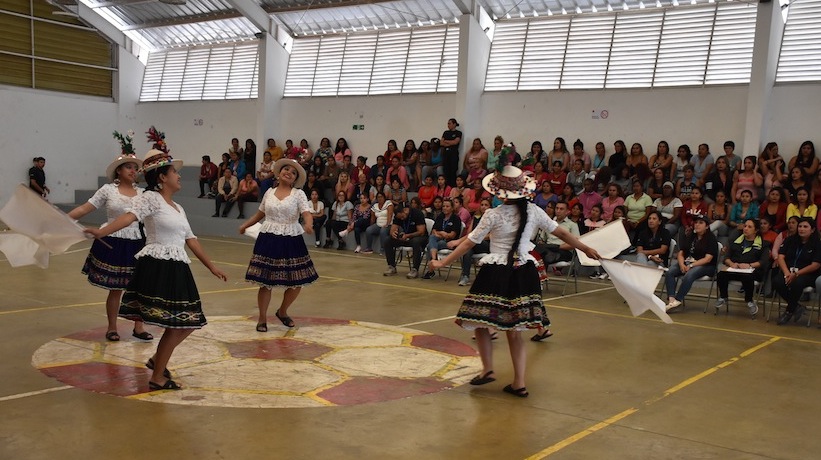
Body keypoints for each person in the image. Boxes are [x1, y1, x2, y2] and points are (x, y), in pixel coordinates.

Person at [429, 163, 600, 398]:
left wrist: (442, 263)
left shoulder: (493, 214)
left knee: (478, 320)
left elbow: (469, 242)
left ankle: (488, 369)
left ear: (499, 193)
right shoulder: (534, 211)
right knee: (515, 330)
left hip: (497, 271)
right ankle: (519, 382)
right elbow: (562, 233)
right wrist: (585, 248)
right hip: (523, 270)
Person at [84, 143, 227, 391]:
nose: (179, 176)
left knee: (189, 321)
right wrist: (102, 231)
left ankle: (157, 363)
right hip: (158, 264)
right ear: (162, 177)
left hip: (178, 266)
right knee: (179, 322)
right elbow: (128, 217)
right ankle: (157, 375)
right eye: (174, 172)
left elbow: (191, 239)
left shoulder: (178, 208)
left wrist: (211, 267)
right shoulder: (150, 198)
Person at [68, 134, 149, 342]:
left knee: (140, 286)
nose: (133, 171)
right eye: (128, 167)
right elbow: (86, 208)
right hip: (113, 241)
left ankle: (139, 326)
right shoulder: (108, 190)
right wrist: (63, 219)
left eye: (134, 167)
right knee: (116, 288)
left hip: (138, 241)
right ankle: (112, 327)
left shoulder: (143, 193)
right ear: (118, 171)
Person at [240, 159, 318, 331]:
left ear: (295, 179)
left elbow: (306, 213)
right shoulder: (269, 192)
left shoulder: (298, 194)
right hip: (268, 238)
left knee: (297, 282)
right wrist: (245, 225)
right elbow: (259, 214)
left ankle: (282, 311)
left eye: (293, 172)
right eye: (286, 169)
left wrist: (309, 224)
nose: (289, 172)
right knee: (265, 282)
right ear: (279, 172)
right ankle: (262, 319)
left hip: (291, 239)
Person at [714, 219, 770, 316]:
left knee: (747, 277)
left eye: (749, 227)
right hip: (735, 269)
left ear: (756, 230)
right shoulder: (735, 242)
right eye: (745, 226)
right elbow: (726, 258)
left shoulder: (763, 244)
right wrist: (731, 264)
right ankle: (723, 296)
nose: (746, 229)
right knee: (721, 274)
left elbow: (763, 261)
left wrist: (749, 265)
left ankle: (749, 300)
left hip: (752, 271)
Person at [664, 214, 718, 311]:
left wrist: (691, 265)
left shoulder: (711, 238)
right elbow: (681, 253)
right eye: (696, 222)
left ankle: (678, 299)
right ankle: (671, 300)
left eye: (701, 223)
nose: (697, 225)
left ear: (707, 226)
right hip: (688, 262)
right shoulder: (691, 236)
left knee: (690, 274)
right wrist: (681, 264)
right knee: (670, 272)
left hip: (706, 266)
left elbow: (708, 259)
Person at [774, 217, 821, 325]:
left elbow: (816, 265)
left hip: (807, 274)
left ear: (812, 229)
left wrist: (796, 274)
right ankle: (796, 306)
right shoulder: (790, 240)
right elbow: (780, 257)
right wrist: (786, 272)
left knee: (797, 283)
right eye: (800, 226)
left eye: (805, 227)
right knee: (777, 281)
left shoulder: (817, 244)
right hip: (788, 271)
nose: (802, 229)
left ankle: (789, 311)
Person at [383, 203, 428, 279]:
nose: (402, 219)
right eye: (400, 218)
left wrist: (408, 235)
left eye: (402, 217)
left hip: (419, 237)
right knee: (388, 240)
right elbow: (392, 229)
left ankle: (415, 269)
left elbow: (421, 231)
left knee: (416, 242)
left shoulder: (417, 213)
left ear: (405, 210)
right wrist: (394, 234)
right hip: (405, 237)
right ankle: (391, 266)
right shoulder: (398, 216)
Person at [422, 198, 461, 279]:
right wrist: (441, 233)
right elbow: (433, 231)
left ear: (452, 208)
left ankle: (431, 269)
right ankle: (434, 259)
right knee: (432, 238)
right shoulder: (440, 217)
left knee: (430, 245)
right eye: (443, 206)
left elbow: (451, 235)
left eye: (447, 206)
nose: (445, 208)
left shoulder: (456, 219)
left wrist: (440, 234)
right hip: (438, 240)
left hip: (449, 243)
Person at [441, 118, 462, 186]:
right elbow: (441, 143)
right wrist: (451, 142)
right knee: (446, 171)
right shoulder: (445, 132)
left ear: (454, 124)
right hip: (446, 154)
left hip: (453, 154)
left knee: (453, 171)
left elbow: (456, 142)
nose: (448, 125)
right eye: (448, 123)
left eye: (449, 123)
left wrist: (446, 141)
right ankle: (446, 186)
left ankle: (452, 186)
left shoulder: (458, 133)